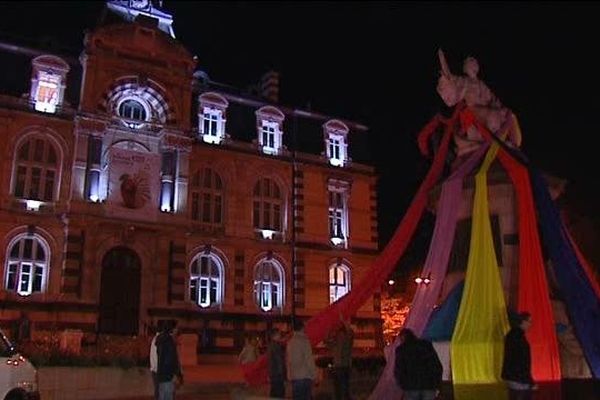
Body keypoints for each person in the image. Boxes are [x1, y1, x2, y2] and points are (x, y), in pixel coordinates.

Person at [394, 328, 443, 400]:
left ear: (402, 338)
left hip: (411, 387)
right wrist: (437, 385)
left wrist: (403, 384)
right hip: (429, 385)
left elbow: (399, 370)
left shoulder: (401, 350)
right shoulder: (426, 345)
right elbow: (436, 366)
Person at [502, 312, 537, 396]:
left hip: (511, 376)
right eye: (529, 321)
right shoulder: (519, 338)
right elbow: (522, 361)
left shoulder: (511, 334)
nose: (530, 324)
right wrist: (530, 381)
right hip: (519, 378)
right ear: (523, 322)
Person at [287, 318, 317, 400]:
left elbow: (288, 361)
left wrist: (289, 375)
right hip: (304, 376)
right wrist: (314, 375)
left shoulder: (290, 342)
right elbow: (309, 360)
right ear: (303, 328)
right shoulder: (304, 341)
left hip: (294, 377)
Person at [328, 315, 354, 400]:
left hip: (342, 366)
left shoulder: (346, 339)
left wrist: (344, 321)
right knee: (339, 390)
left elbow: (350, 333)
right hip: (339, 366)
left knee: (342, 390)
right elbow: (329, 344)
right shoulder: (337, 340)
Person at [156, 320, 183, 400]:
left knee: (162, 395)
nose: (177, 330)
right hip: (168, 375)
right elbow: (171, 359)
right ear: (172, 329)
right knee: (167, 396)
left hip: (161, 374)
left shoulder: (161, 340)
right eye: (176, 328)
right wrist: (177, 374)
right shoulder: (169, 342)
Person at [267, 328, 287, 399]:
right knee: (279, 393)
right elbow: (279, 361)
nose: (280, 336)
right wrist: (283, 374)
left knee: (274, 393)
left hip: (273, 373)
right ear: (274, 335)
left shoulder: (271, 345)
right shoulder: (276, 346)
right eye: (279, 334)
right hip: (277, 374)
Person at [149, 322, 163, 400]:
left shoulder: (156, 339)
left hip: (156, 369)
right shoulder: (159, 340)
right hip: (158, 370)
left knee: (158, 391)